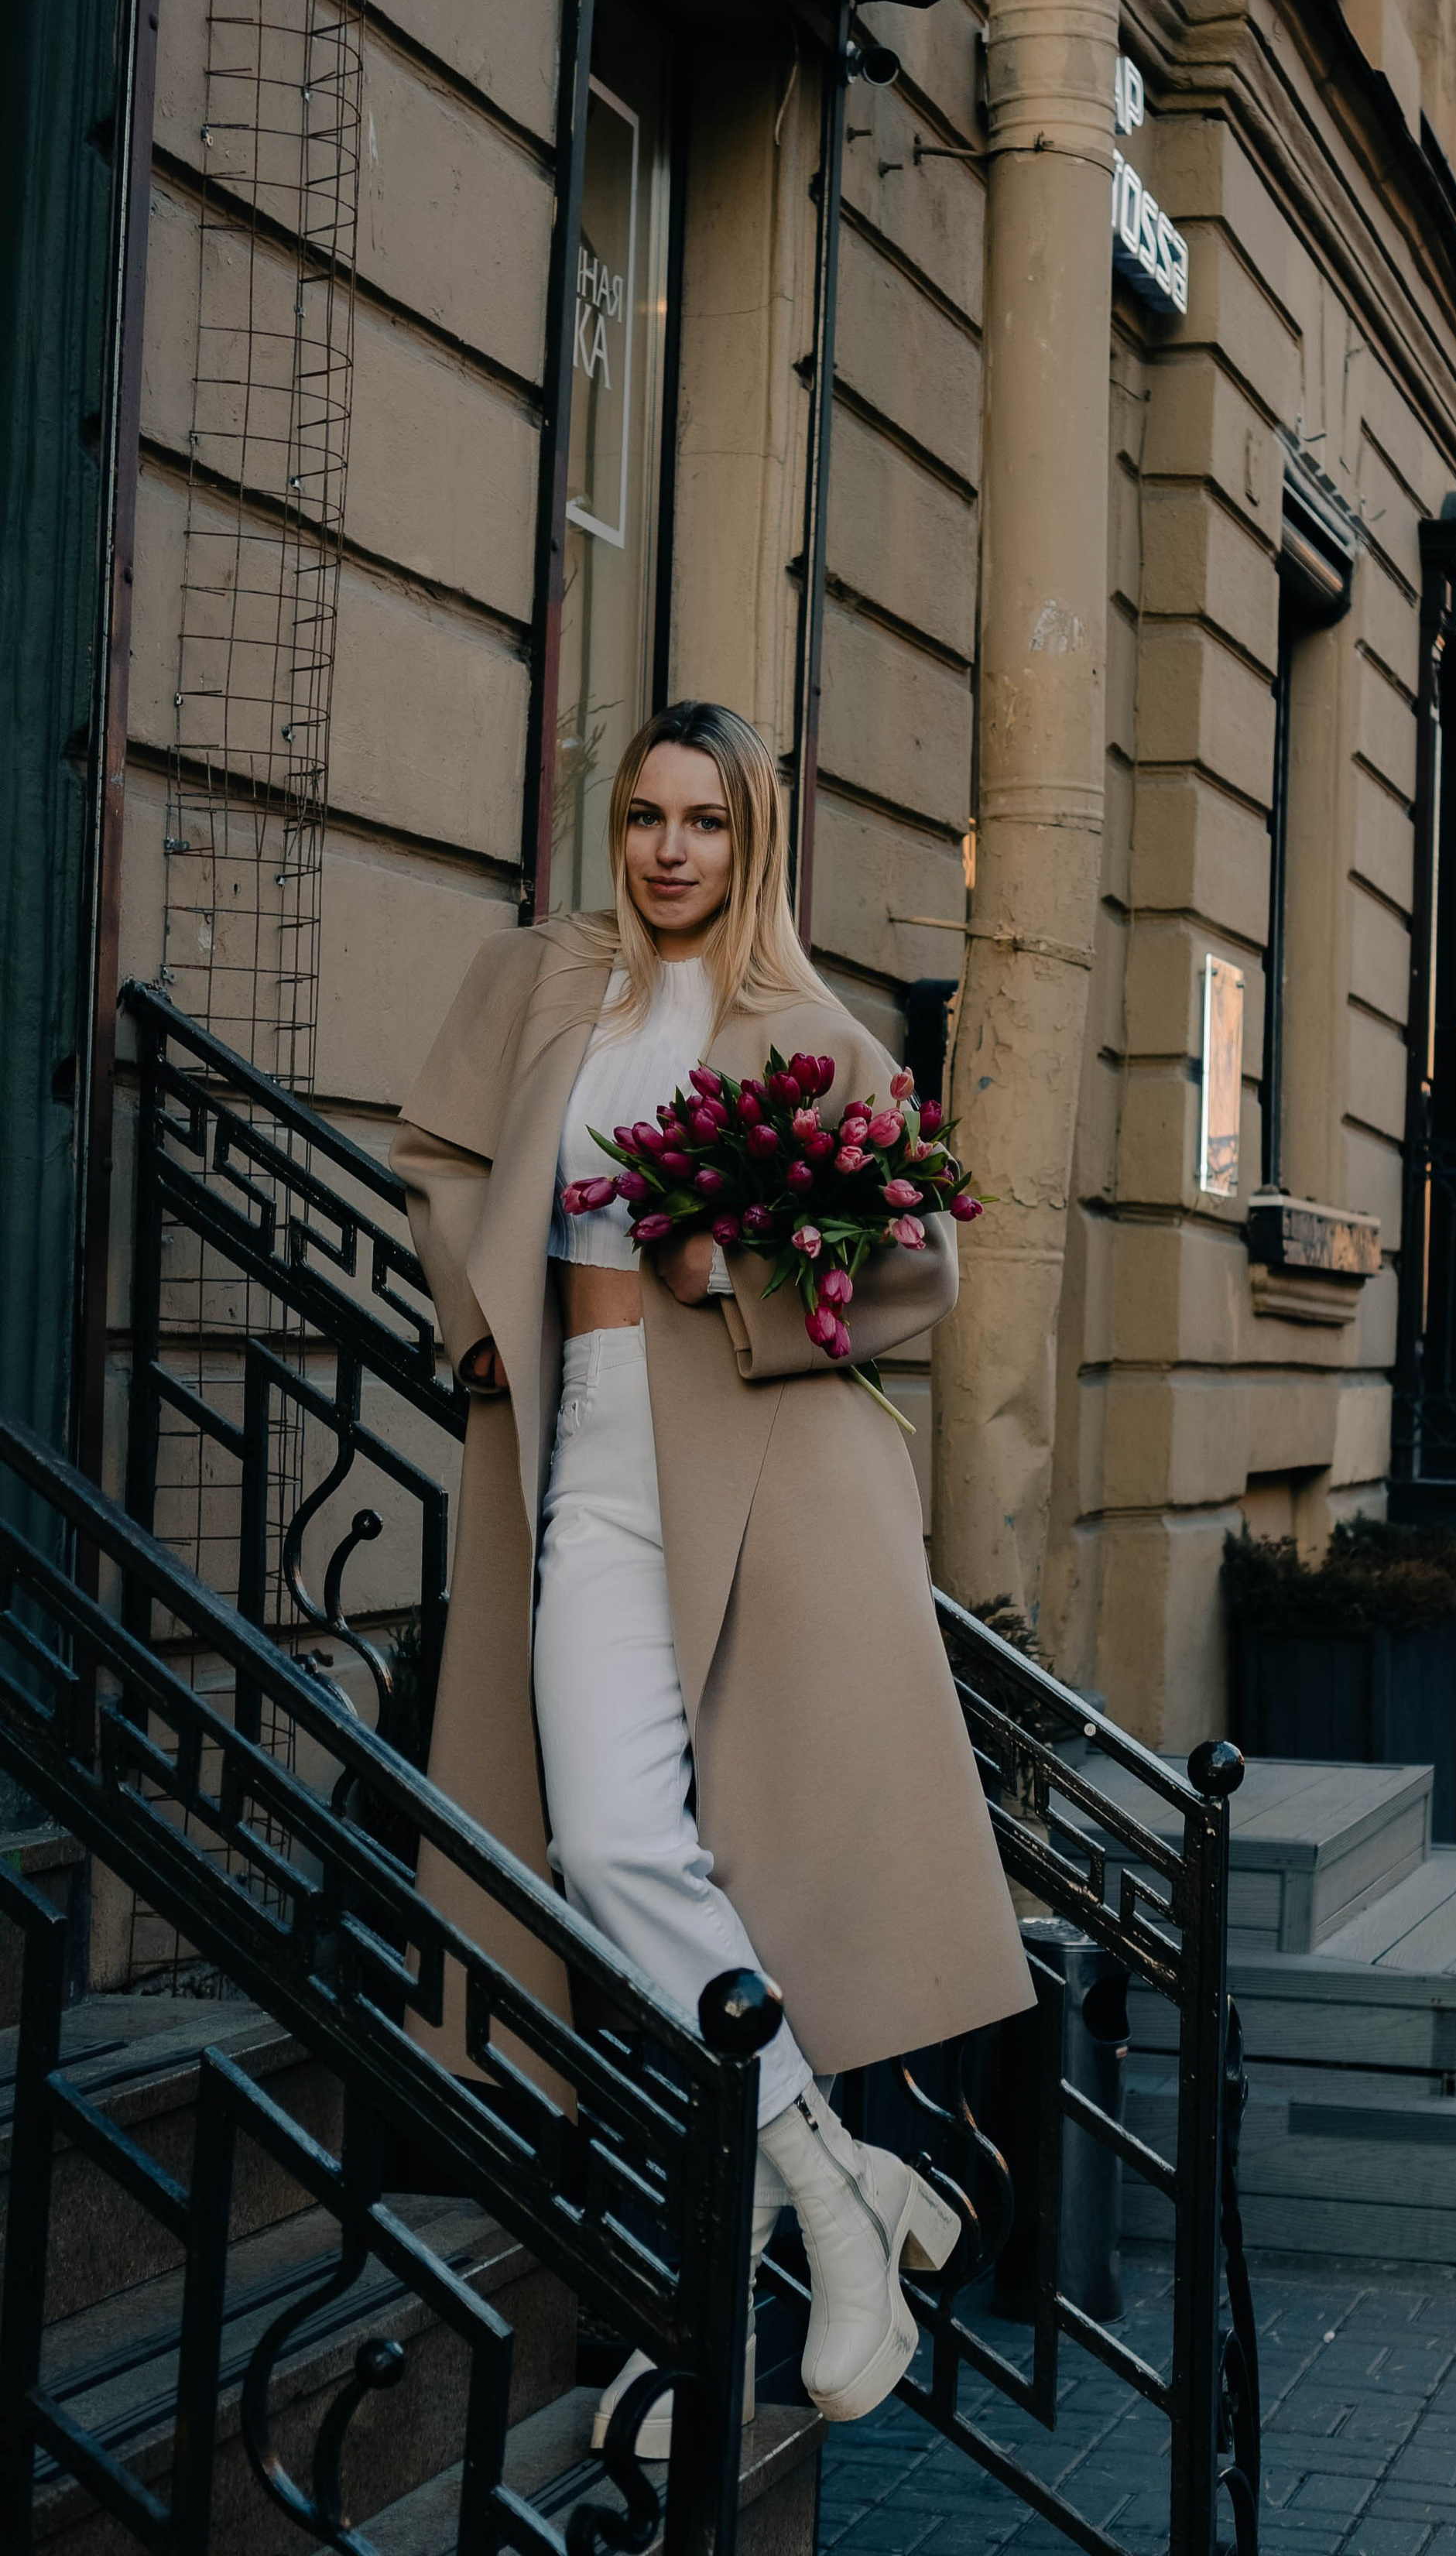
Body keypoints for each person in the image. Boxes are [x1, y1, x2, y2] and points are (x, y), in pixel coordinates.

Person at [390, 700, 1033, 2449]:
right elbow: (440, 1164)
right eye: (644, 818)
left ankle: (750, 2272)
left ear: (754, 842)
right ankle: (839, 2187)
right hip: (572, 1456)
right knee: (605, 1844)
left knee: (727, 1852)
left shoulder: (807, 1031)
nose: (671, 850)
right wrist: (483, 1330)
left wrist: (725, 1273)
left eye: (708, 823)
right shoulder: (539, 985)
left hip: (749, 1476)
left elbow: (912, 1276)